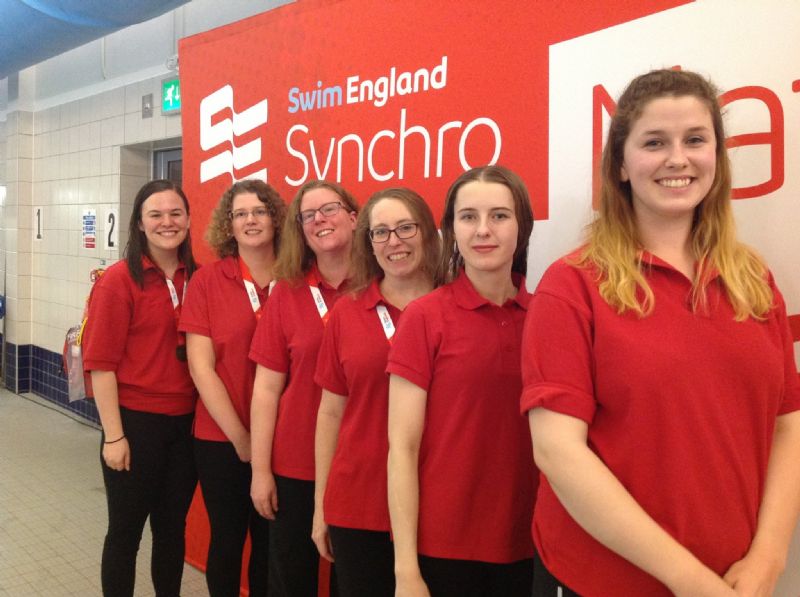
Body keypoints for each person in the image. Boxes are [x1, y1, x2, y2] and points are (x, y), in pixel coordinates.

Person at [522, 69, 800, 597]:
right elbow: (559, 452)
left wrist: (769, 556)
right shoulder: (573, 285)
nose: (678, 159)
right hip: (603, 583)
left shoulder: (753, 280)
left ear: (717, 158)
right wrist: (691, 583)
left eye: (696, 140)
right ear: (621, 166)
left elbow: (788, 423)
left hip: (736, 580)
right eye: (654, 143)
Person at [386, 165, 537, 597]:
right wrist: (405, 570)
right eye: (468, 217)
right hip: (444, 547)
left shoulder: (548, 316)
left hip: (530, 542)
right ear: (451, 229)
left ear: (521, 226)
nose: (483, 230)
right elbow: (402, 447)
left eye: (500, 216)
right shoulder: (425, 317)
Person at [312, 188, 441, 596]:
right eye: (380, 232)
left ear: (427, 232)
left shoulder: (454, 306)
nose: (394, 242)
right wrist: (320, 507)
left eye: (405, 227)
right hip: (360, 504)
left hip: (439, 501)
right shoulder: (347, 313)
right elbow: (331, 413)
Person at [82, 179, 199, 597]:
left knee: (172, 531)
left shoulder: (198, 279)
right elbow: (100, 365)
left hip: (186, 427)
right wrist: (114, 436)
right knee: (126, 533)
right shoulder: (118, 281)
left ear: (187, 219)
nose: (167, 222)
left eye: (175, 213)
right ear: (139, 223)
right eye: (156, 214)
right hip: (134, 425)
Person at [249, 179, 359, 596]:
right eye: (308, 215)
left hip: (360, 463)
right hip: (295, 464)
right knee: (290, 578)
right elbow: (266, 389)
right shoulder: (287, 293)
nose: (320, 220)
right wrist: (261, 471)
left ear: (353, 216)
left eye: (329, 209)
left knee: (353, 579)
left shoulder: (382, 286)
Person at [179, 179, 286, 597]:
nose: (250, 220)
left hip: (284, 438)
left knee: (271, 543)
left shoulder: (296, 277)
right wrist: (243, 439)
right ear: (229, 224)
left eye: (259, 211)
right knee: (227, 540)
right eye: (240, 214)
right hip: (222, 437)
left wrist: (261, 443)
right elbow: (201, 367)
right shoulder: (208, 281)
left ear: (275, 218)